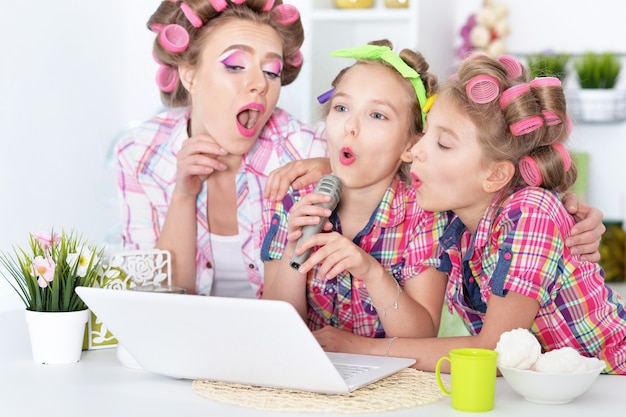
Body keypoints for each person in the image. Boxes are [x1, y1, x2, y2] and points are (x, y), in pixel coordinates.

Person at [326, 53, 626, 374]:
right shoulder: (456, 218)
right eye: (426, 134)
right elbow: (380, 165)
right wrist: (319, 167)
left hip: (612, 383)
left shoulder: (530, 213)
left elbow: (494, 351)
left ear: (495, 176)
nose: (414, 151)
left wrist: (363, 348)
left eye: (443, 143)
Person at [114, 0, 327, 296]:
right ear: (190, 75)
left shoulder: (307, 151)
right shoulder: (139, 153)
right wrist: (183, 196)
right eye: (235, 65)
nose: (259, 85)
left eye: (271, 71)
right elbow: (157, 303)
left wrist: (339, 173)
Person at [261, 40, 447, 341]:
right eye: (342, 107)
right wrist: (294, 249)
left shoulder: (424, 216)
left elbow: (422, 336)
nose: (351, 126)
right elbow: (274, 332)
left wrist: (370, 271)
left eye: (377, 115)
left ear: (409, 146)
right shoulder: (292, 199)